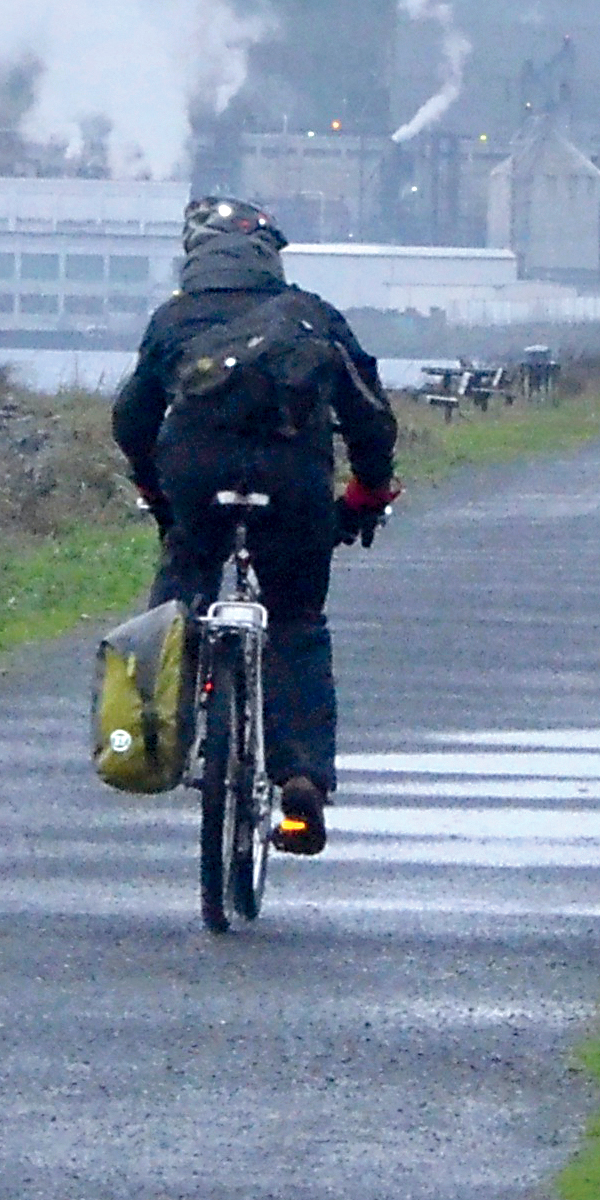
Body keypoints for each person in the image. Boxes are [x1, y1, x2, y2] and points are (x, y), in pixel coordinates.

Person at [111, 195, 398, 856]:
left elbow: (132, 420)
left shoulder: (173, 319)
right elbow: (369, 416)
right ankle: (300, 777)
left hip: (195, 478)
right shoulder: (311, 315)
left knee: (182, 589)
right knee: (294, 619)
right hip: (293, 482)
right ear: (270, 257)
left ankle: (157, 729)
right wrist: (367, 493)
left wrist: (157, 493)